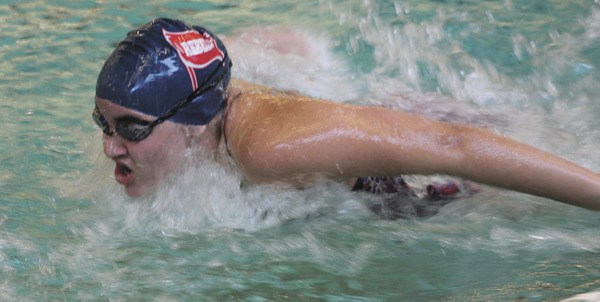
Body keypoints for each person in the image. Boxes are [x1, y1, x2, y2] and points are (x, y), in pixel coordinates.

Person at [93, 18, 600, 214]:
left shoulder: (269, 148)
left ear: (194, 118)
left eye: (131, 129)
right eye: (104, 124)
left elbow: (456, 148)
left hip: (436, 176)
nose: (110, 146)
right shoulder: (185, 117)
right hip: (383, 121)